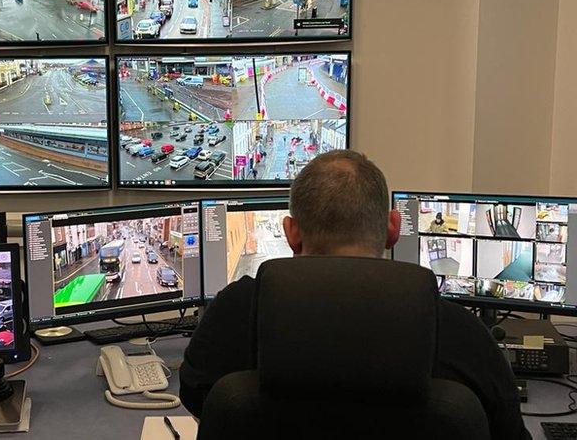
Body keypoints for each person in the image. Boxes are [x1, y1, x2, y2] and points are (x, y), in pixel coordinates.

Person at [180, 150, 529, 440]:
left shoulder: (233, 311)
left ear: (291, 232)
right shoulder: (461, 331)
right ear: (393, 228)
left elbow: (200, 398)